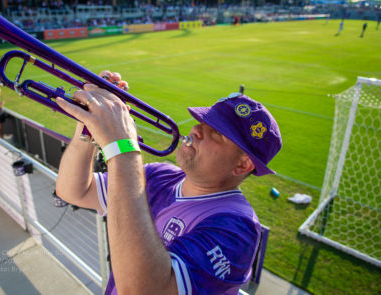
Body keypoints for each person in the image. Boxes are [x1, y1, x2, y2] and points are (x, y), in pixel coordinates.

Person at [55, 74, 282, 294]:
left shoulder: (237, 230)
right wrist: (89, 122)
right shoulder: (159, 175)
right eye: (203, 121)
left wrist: (122, 148)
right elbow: (73, 191)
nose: (197, 130)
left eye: (217, 133)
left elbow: (143, 291)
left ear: (243, 165)